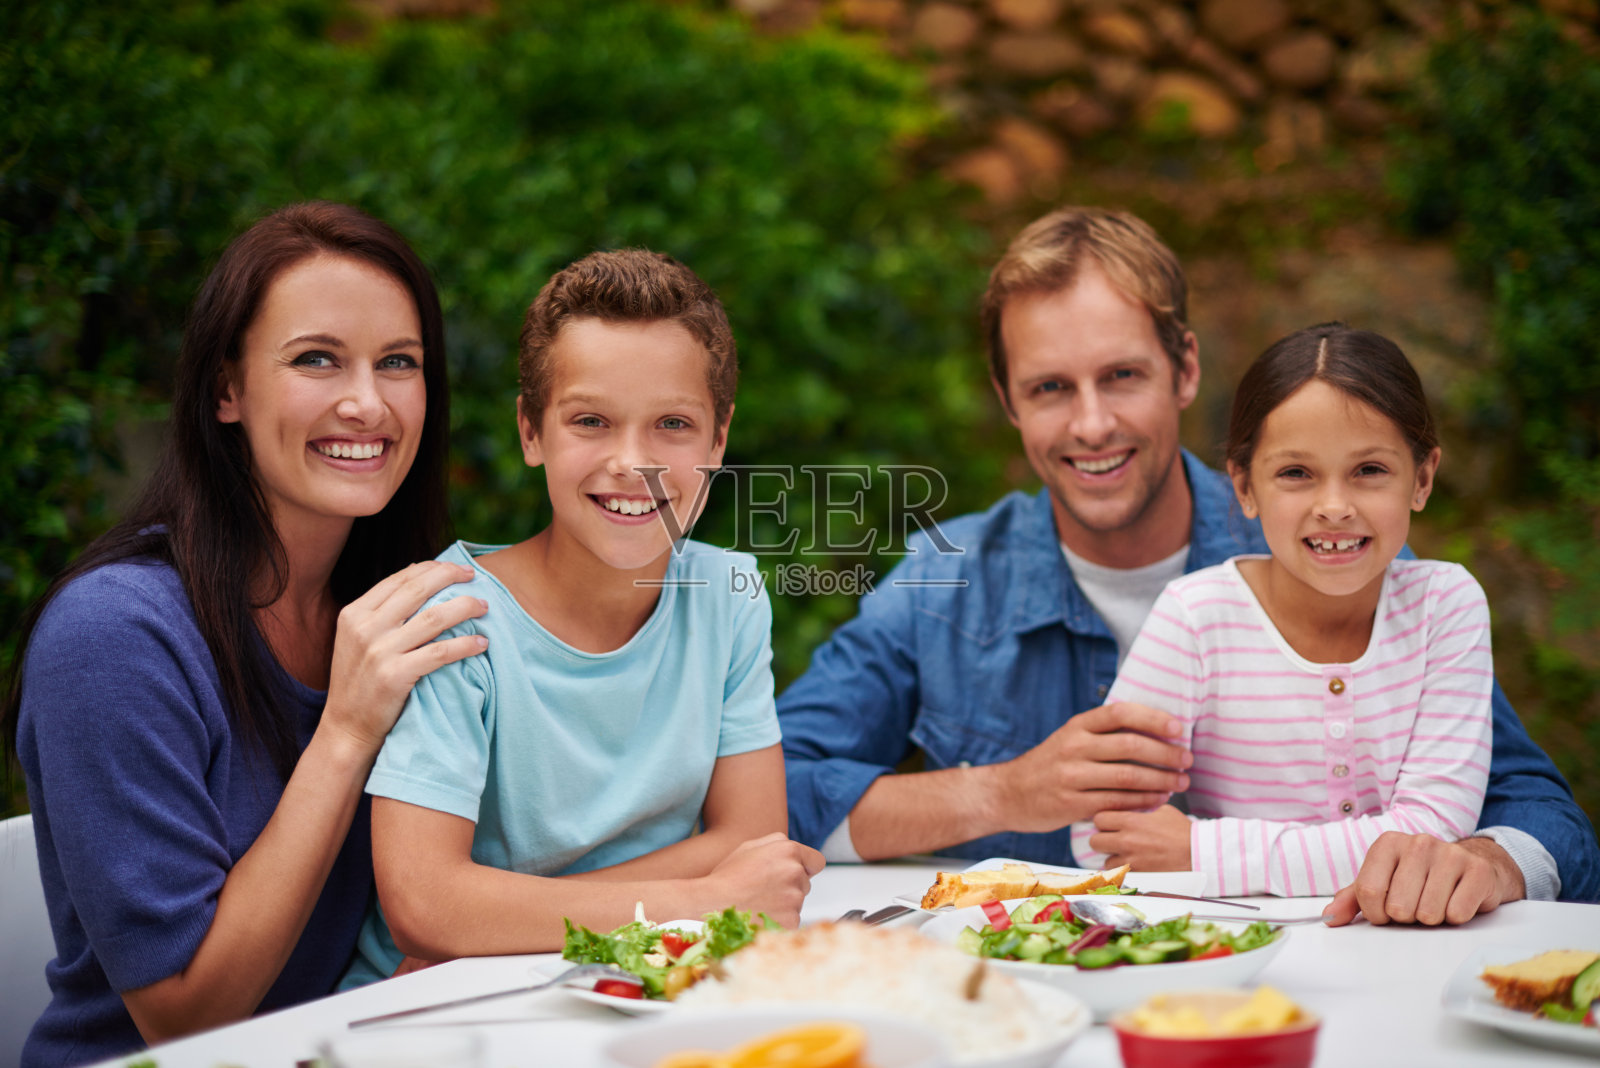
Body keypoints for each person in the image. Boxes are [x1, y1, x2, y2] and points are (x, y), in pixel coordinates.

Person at [779, 206, 1599, 924]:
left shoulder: (1335, 555)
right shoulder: (940, 586)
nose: (1092, 423)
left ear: (1186, 369)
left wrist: (1488, 864)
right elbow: (768, 790)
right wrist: (1002, 793)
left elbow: (1536, 811)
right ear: (1008, 402)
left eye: (1123, 376)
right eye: (1051, 388)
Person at [4, 202, 489, 1066]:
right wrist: (345, 731)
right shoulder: (114, 638)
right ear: (226, 389)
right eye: (316, 360)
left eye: (399, 363)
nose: (366, 403)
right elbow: (185, 1017)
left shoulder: (392, 609)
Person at [341, 249, 823, 986]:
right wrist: (704, 898)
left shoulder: (728, 593)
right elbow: (423, 906)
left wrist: (492, 917)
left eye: (672, 424)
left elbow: (752, 837)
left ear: (719, 440)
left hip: (619, 982)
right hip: (434, 1008)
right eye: (591, 420)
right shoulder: (454, 615)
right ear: (532, 432)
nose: (631, 462)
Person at [1065, 324, 1491, 897]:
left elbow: (1433, 832)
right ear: (1244, 486)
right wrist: (1366, 852)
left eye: (1369, 471)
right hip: (1234, 949)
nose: (1334, 507)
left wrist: (1199, 852)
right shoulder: (1196, 618)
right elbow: (1102, 835)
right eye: (1296, 473)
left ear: (1422, 478)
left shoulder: (1446, 607)